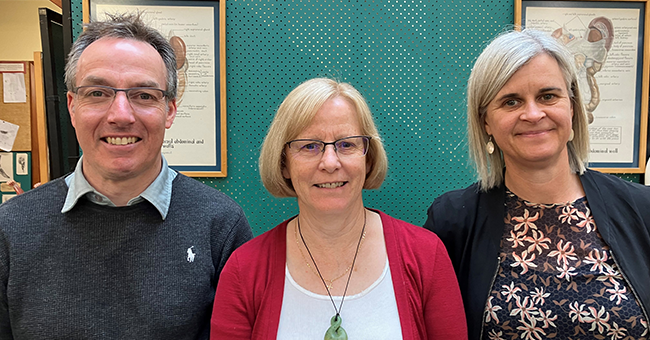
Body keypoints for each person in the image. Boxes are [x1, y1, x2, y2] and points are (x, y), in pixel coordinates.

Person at [0, 13, 252, 339]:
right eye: (98, 93)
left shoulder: (220, 226)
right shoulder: (11, 228)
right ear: (72, 106)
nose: (121, 115)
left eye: (144, 95)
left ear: (170, 111)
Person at [424, 29, 650, 340]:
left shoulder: (643, 209)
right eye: (511, 101)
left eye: (548, 96)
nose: (533, 114)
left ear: (571, 107)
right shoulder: (452, 221)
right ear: (485, 121)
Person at [210, 78, 467, 339]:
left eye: (347, 144)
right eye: (309, 146)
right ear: (284, 164)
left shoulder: (427, 256)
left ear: (369, 158)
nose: (330, 162)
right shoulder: (244, 270)